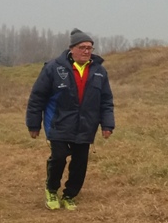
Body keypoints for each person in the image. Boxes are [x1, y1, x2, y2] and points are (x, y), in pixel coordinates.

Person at [26, 29, 115, 211]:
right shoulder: (53, 68)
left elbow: (106, 101)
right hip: (58, 123)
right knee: (58, 157)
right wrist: (34, 124)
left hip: (86, 126)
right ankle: (51, 189)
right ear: (71, 49)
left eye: (90, 47)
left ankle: (70, 195)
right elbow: (37, 97)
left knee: (80, 162)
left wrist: (107, 124)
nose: (86, 51)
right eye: (82, 47)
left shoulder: (99, 71)